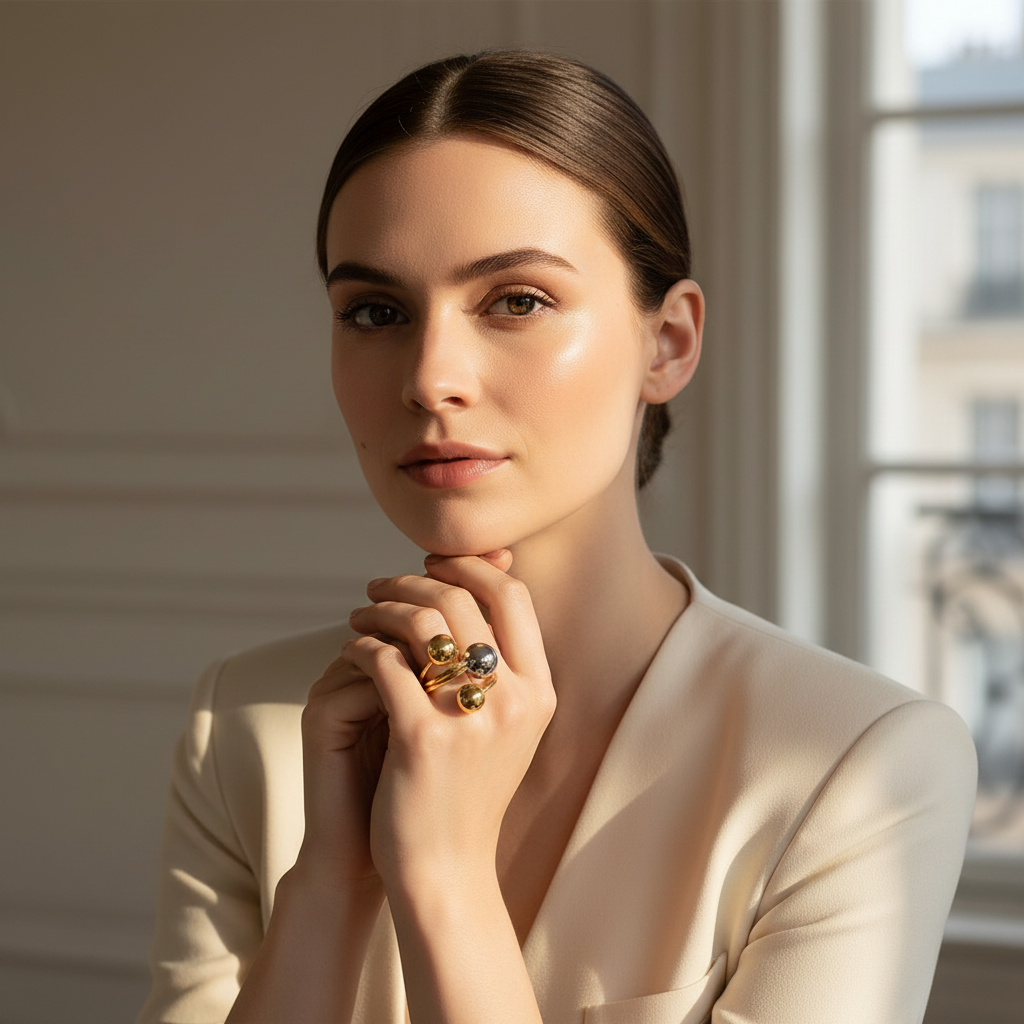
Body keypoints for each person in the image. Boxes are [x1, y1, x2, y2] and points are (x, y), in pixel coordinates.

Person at [138, 50, 976, 1024]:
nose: (430, 376)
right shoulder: (245, 723)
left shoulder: (858, 761)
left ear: (667, 342)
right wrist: (329, 885)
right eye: (375, 311)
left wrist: (443, 873)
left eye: (516, 300)